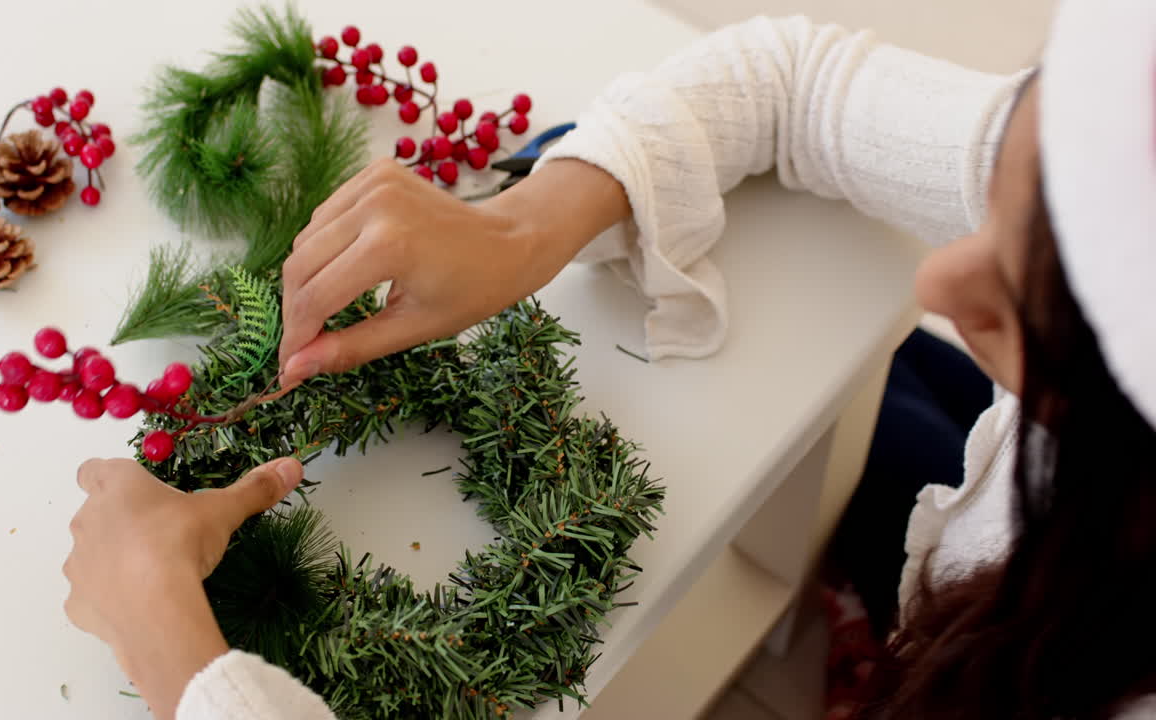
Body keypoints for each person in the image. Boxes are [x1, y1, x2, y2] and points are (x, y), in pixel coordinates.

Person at [63, 2, 1156, 718]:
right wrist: (524, 224)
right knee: (869, 398)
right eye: (1027, 183)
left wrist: (174, 649)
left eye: (1050, 306)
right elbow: (793, 84)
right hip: (1013, 521)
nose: (937, 284)